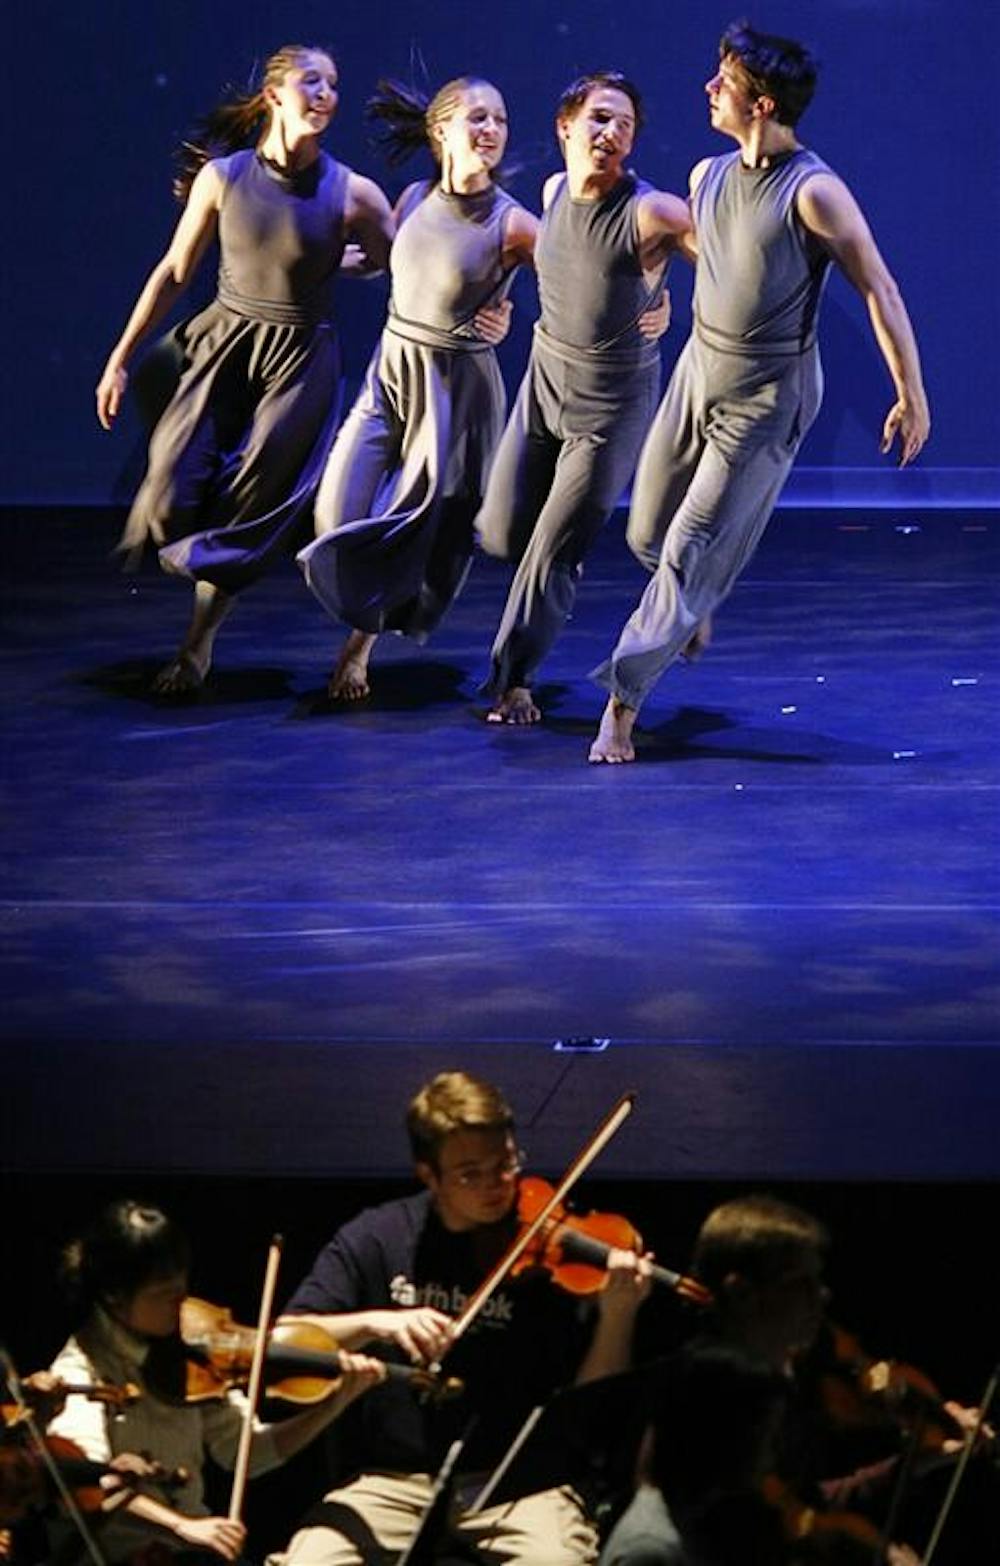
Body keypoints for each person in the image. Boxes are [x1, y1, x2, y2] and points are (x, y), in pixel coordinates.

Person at [589, 21, 930, 762]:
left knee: (687, 547)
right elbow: (718, 263)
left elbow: (880, 290)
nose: (710, 89)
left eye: (726, 83)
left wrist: (913, 392)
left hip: (766, 395)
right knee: (647, 530)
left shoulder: (815, 193)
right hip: (697, 372)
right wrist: (654, 292)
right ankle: (692, 609)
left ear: (763, 104)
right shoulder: (707, 176)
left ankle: (622, 704)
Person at [96, 45, 394, 694]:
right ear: (273, 96)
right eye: (311, 81)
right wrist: (120, 359)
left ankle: (197, 645)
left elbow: (397, 267)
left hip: (300, 359)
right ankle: (199, 583)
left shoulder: (355, 195)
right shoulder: (224, 178)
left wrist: (489, 311)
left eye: (334, 85)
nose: (326, 94)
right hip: (224, 344)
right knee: (170, 495)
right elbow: (175, 272)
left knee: (247, 504)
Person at [275, 1070, 651, 1564]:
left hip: (512, 1483)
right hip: (393, 1481)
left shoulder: (552, 1248)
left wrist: (618, 1315)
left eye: (506, 1164)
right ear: (428, 1175)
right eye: (471, 1173)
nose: (498, 1187)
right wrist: (375, 1323)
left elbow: (591, 1403)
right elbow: (282, 1340)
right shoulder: (379, 1236)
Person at [297, 76, 536, 703]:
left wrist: (652, 303)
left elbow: (577, 282)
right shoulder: (414, 195)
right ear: (441, 132)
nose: (491, 131)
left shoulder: (512, 223)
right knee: (337, 513)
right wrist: (307, 264)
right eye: (477, 119)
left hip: (456, 383)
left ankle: (360, 648)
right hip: (392, 364)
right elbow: (390, 260)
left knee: (419, 521)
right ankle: (362, 624)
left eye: (500, 120)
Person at [475, 71, 692, 724]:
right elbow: (560, 266)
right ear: (565, 126)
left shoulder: (651, 210)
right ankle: (678, 605)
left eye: (625, 124)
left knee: (553, 548)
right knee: (501, 532)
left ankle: (513, 680)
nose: (612, 132)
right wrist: (500, 306)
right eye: (600, 117)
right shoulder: (549, 193)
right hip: (544, 380)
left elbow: (722, 260)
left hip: (612, 402)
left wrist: (670, 302)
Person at [45, 1199, 383, 1562]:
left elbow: (249, 1454)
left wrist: (335, 1402)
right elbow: (89, 1487)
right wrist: (181, 1527)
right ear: (114, 1296)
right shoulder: (77, 1373)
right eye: (164, 1297)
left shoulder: (189, 1354)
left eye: (182, 1290)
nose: (182, 1308)